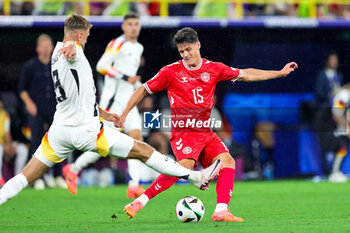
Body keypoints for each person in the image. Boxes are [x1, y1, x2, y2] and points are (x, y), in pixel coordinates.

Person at [0, 15, 222, 207]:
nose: (86, 40)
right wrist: (74, 48)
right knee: (143, 150)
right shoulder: (73, 50)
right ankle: (196, 177)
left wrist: (105, 114)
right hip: (86, 130)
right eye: (85, 37)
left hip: (60, 131)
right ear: (78, 37)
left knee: (25, 177)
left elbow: (79, 95)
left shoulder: (56, 51)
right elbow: (74, 50)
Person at [118, 27, 298, 222]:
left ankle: (221, 211)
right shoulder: (170, 72)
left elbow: (246, 74)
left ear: (198, 45)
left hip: (205, 133)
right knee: (184, 166)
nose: (185, 55)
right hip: (184, 133)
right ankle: (140, 201)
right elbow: (143, 90)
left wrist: (279, 73)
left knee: (228, 161)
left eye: (188, 49)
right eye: (181, 52)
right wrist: (125, 113)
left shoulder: (214, 69)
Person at [62, 12, 148, 198]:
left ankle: (134, 184)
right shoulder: (117, 43)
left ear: (140, 26)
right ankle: (73, 169)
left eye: (136, 24)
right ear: (123, 27)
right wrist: (126, 77)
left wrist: (135, 84)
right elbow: (101, 66)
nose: (133, 27)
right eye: (130, 24)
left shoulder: (139, 47)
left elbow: (128, 74)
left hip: (128, 102)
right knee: (104, 145)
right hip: (113, 102)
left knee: (137, 140)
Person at [18, 34, 65, 189]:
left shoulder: (58, 64)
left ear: (52, 47)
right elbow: (22, 89)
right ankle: (38, 178)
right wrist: (29, 103)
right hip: (36, 109)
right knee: (37, 143)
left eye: (48, 45)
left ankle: (58, 176)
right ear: (38, 48)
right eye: (42, 46)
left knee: (58, 141)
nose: (45, 49)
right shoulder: (30, 66)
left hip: (55, 109)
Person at [0, 97, 29, 186]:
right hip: (1, 146)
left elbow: (7, 133)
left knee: (23, 149)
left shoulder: (5, 115)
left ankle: (18, 178)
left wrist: (10, 146)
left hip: (4, 144)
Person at [327, 84, 350, 182]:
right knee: (342, 148)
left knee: (343, 148)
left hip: (341, 126)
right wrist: (347, 127)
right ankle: (334, 173)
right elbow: (336, 114)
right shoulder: (344, 95)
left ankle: (336, 171)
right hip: (336, 127)